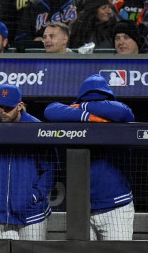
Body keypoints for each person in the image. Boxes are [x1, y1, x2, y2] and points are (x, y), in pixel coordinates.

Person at [44, 74, 136, 240]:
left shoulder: (119, 115)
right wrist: (87, 116)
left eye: (100, 101)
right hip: (81, 209)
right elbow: (49, 110)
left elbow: (123, 112)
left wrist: (84, 106)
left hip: (116, 207)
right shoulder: (74, 117)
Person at [0, 85, 57, 240]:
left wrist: (34, 195)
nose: (3, 111)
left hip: (32, 214)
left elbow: (50, 169)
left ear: (20, 106)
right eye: (0, 107)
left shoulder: (37, 129)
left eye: (9, 108)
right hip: (1, 214)